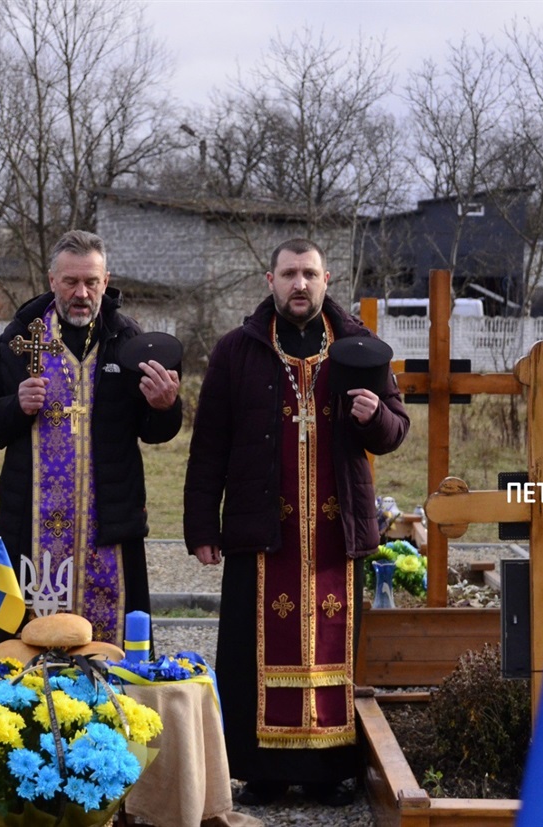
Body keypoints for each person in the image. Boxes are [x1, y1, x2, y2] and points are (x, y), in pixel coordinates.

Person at [184, 238, 410, 807]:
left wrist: (375, 416)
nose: (300, 284)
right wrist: (202, 527)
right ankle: (260, 769)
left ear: (327, 278)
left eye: (310, 273)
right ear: (270, 280)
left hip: (335, 529)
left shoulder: (362, 348)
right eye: (289, 274)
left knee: (334, 644)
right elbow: (208, 443)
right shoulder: (237, 350)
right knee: (250, 647)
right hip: (263, 528)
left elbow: (396, 429)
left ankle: (330, 767)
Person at [0, 230, 181, 646]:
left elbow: (156, 433)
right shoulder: (19, 341)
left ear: (106, 280)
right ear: (52, 281)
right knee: (22, 649)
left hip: (110, 524)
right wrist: (16, 406)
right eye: (70, 282)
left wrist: (164, 407)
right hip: (31, 523)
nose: (81, 293)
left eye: (91, 282)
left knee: (112, 648)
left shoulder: (128, 340)